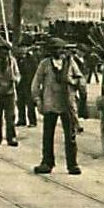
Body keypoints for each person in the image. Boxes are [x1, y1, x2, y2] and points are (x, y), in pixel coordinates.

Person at [31, 37, 84, 175]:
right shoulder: (45, 64)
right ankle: (47, 162)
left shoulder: (70, 63)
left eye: (59, 49)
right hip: (50, 103)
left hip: (67, 104)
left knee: (70, 136)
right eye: (54, 49)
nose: (57, 51)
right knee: (48, 135)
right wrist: (37, 99)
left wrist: (71, 81)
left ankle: (72, 164)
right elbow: (36, 82)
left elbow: (80, 79)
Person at [0, 39, 20, 146]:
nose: (4, 53)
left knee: (10, 116)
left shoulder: (12, 62)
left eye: (6, 51)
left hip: (9, 92)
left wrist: (15, 79)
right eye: (1, 51)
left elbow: (17, 75)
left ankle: (11, 137)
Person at [15, 44, 39, 127]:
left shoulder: (31, 59)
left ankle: (32, 121)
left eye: (24, 48)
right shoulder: (17, 59)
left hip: (29, 83)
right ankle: (22, 120)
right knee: (20, 103)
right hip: (20, 84)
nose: (22, 50)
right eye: (20, 48)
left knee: (30, 103)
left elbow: (35, 71)